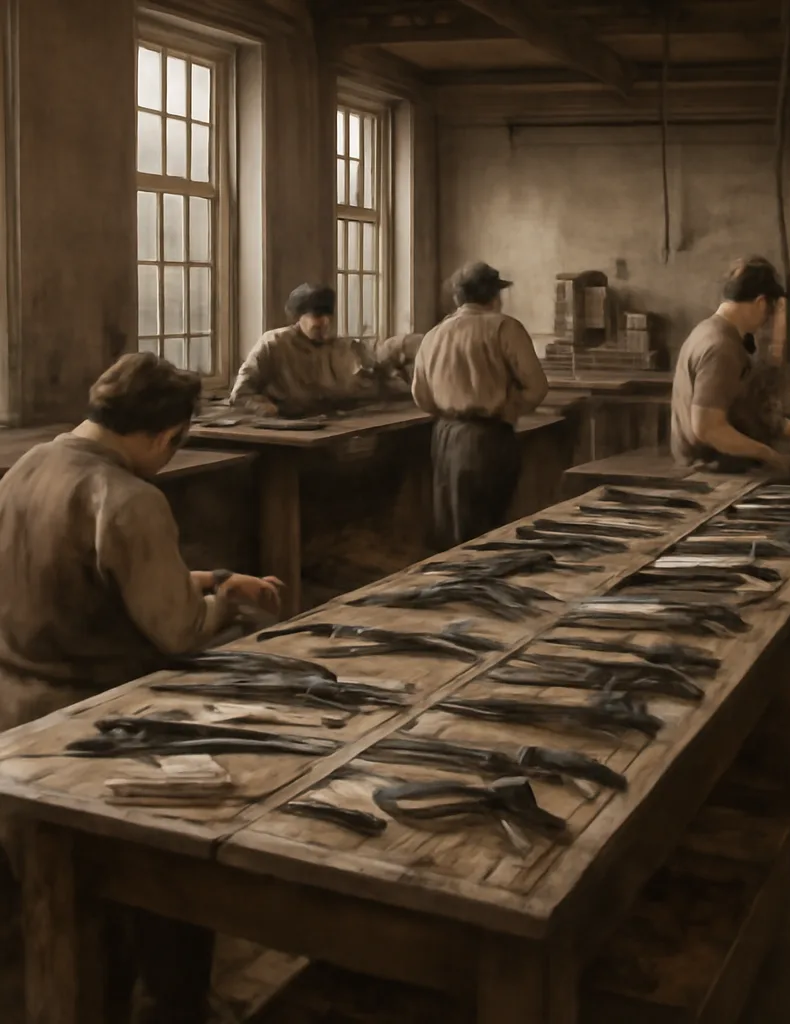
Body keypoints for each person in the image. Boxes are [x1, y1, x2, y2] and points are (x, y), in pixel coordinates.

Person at [0, 352, 282, 1023]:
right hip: (105, 729)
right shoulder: (129, 498)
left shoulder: (26, 468)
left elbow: (87, 576)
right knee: (167, 896)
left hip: (14, 718)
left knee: (60, 905)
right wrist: (225, 604)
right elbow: (177, 632)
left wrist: (214, 576)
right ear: (164, 436)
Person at [670, 256, 790, 472]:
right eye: (770, 312)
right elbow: (708, 428)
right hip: (714, 475)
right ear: (761, 303)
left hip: (721, 469)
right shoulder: (721, 347)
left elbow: (763, 418)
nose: (767, 321)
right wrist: (766, 453)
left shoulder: (708, 332)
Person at [412, 261, 548, 547]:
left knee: (452, 528)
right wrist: (507, 407)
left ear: (458, 298)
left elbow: (421, 397)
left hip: (445, 436)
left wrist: (450, 410)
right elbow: (536, 387)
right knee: (489, 529)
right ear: (494, 296)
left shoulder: (434, 335)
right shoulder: (504, 328)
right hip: (488, 438)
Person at [230, 283, 403, 416]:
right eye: (317, 316)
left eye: (329, 316)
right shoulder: (274, 344)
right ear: (299, 316)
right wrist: (265, 409)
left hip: (333, 423)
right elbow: (241, 394)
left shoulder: (342, 347)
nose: (325, 323)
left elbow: (375, 380)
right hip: (287, 427)